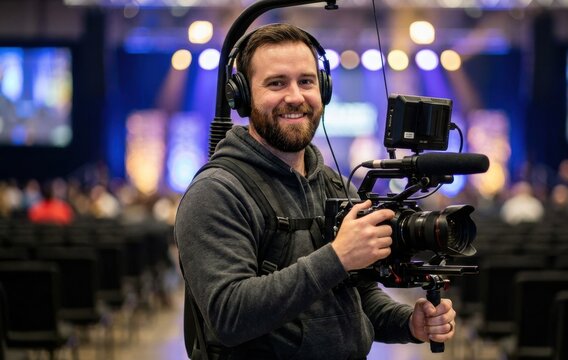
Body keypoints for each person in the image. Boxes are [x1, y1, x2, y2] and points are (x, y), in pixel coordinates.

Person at [174, 23, 456, 359]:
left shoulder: (336, 185)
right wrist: (336, 257)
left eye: (306, 81)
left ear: (323, 89)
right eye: (276, 83)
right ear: (243, 97)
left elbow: (359, 295)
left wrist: (408, 323)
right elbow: (229, 316)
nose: (295, 97)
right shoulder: (217, 192)